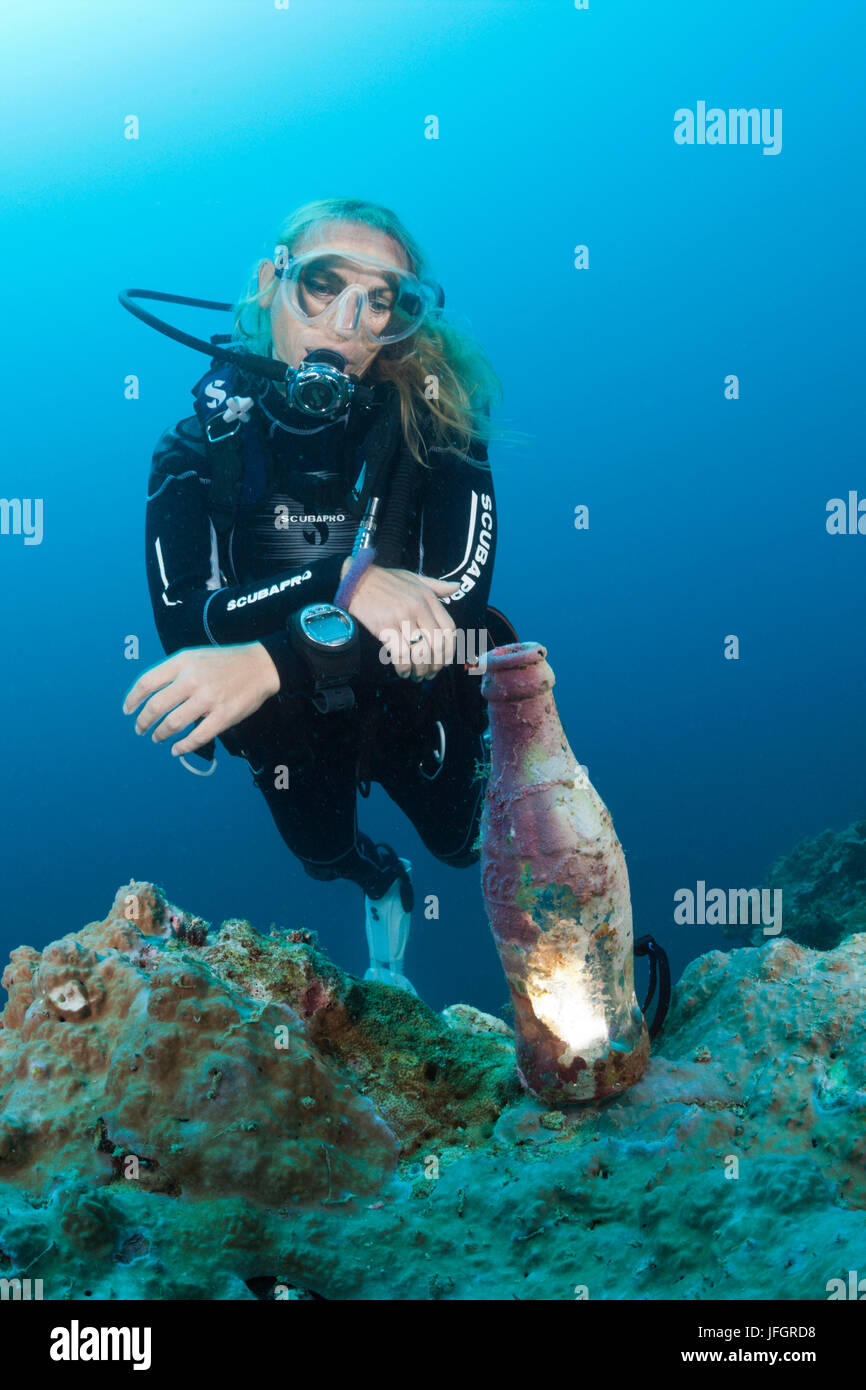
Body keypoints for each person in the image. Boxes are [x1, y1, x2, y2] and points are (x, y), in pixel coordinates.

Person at [122, 197, 510, 995]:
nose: (348, 321)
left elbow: (458, 604)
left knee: (466, 842)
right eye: (323, 285)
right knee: (325, 857)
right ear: (271, 283)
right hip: (292, 729)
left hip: (411, 690)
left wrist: (270, 659)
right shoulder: (195, 451)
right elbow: (185, 624)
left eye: (381, 301)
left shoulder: (435, 424)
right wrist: (346, 581)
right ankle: (381, 882)